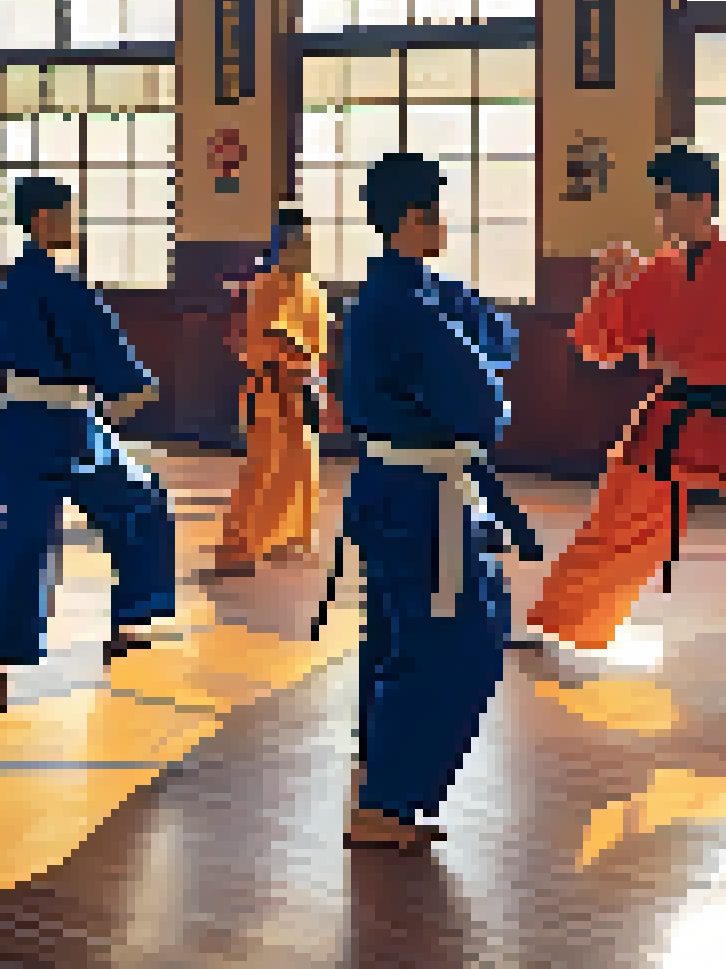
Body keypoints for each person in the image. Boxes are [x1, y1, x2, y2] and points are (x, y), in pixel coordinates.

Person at [525, 144, 726, 689]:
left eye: (669, 203)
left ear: (703, 202)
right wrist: (609, 284)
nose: (660, 216)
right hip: (672, 416)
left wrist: (686, 361)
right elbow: (598, 346)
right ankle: (552, 622)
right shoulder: (654, 273)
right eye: (658, 204)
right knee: (619, 524)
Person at [334, 151, 543, 853]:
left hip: (395, 488)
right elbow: (485, 405)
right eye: (434, 213)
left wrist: (468, 334)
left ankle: (377, 773)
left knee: (397, 638)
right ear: (411, 219)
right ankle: (390, 803)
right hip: (422, 495)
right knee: (461, 642)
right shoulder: (406, 307)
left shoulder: (407, 294)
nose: (444, 224)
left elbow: (498, 338)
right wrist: (472, 347)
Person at [0, 175, 176, 714]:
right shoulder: (60, 279)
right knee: (141, 503)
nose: (74, 223)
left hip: (20, 423)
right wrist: (136, 384)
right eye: (67, 214)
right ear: (43, 220)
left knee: (23, 537)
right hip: (66, 425)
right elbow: (97, 337)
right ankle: (134, 617)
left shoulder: (11, 280)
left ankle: (2, 664)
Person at [219, 208, 336, 575]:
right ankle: (244, 543)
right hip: (269, 388)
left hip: (304, 387)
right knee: (266, 466)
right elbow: (265, 336)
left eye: (307, 243)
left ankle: (291, 537)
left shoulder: (313, 290)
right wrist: (292, 351)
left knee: (302, 463)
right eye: (298, 242)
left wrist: (317, 383)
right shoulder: (264, 286)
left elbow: (318, 345)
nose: (304, 250)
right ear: (282, 246)